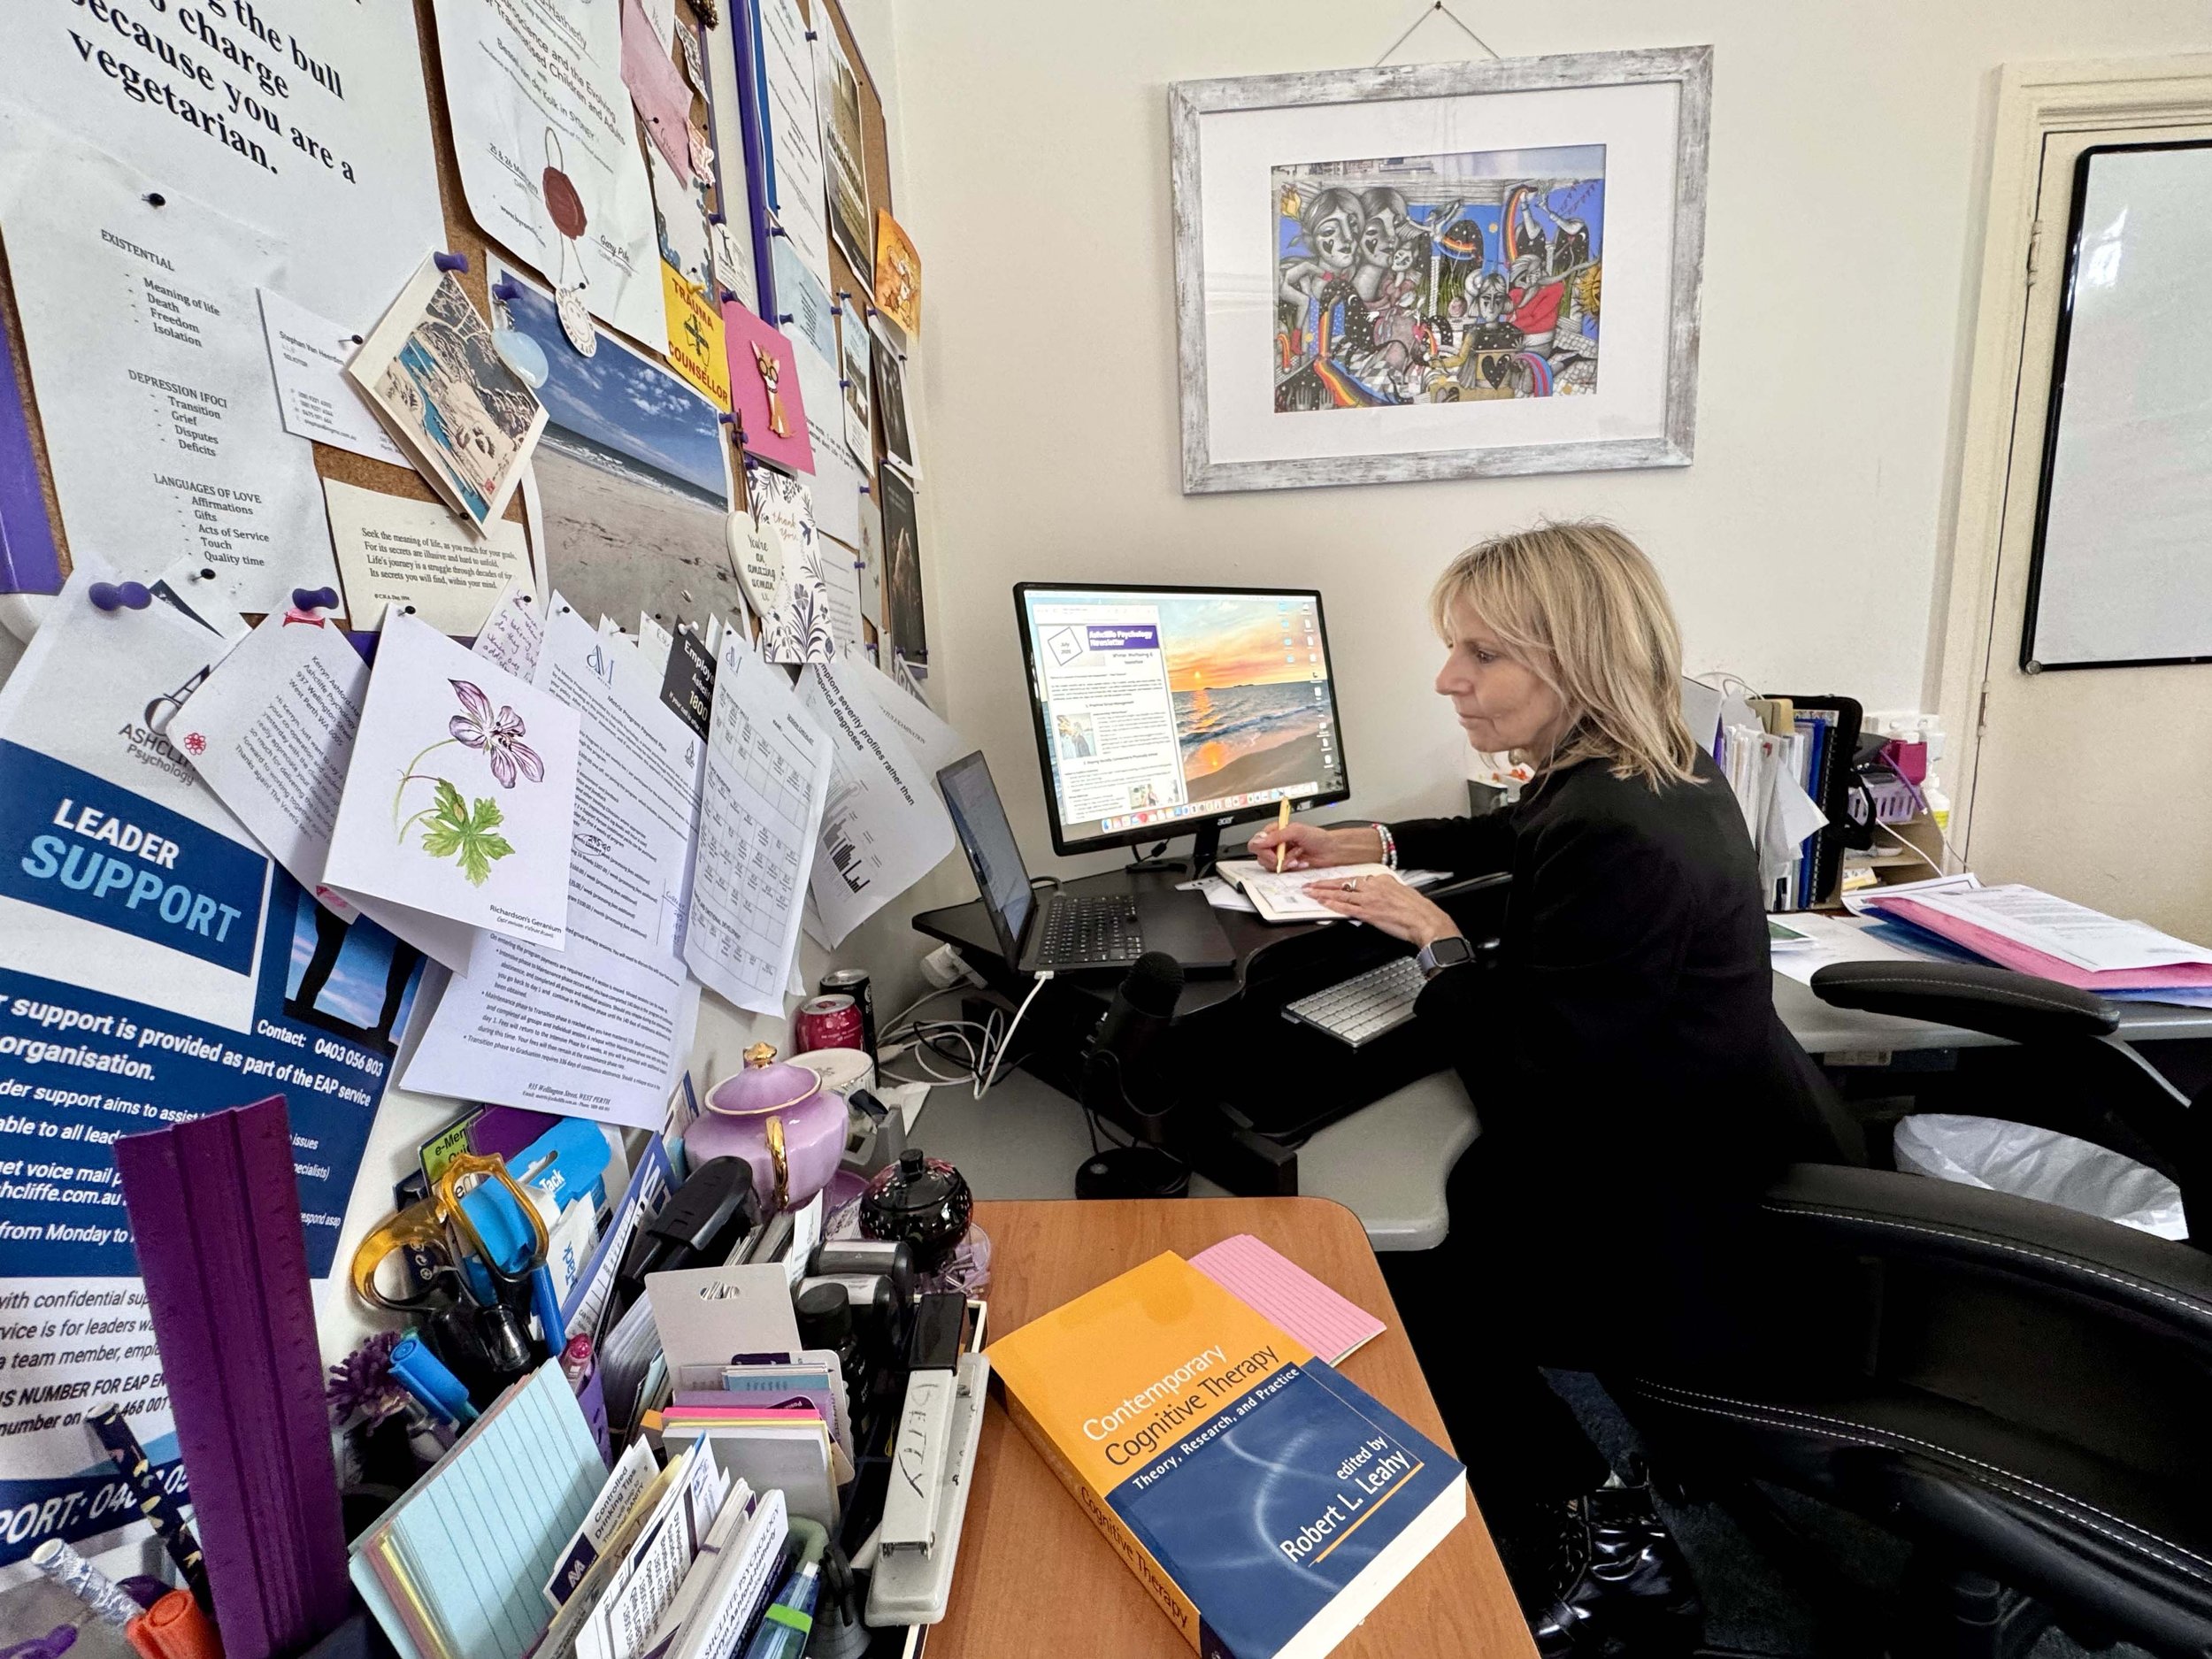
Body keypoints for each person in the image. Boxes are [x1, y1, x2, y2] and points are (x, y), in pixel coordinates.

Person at [1248, 521, 1816, 1656]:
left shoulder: (1620, 827)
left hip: (1665, 1207)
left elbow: (1537, 1092)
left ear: (1578, 657)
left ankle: (1615, 1549)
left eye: (1484, 655)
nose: (1449, 678)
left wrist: (1441, 954)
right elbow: (1520, 830)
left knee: (1401, 1270)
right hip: (1707, 1129)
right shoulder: (1644, 767)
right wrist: (1373, 838)